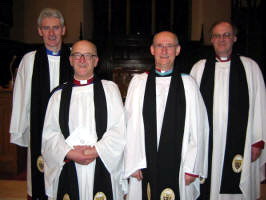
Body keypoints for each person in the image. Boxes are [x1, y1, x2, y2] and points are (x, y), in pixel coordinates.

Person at [124, 31, 209, 200]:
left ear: (177, 50)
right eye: (159, 46)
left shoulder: (188, 84)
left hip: (180, 165)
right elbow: (128, 125)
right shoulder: (139, 83)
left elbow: (199, 128)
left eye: (169, 46)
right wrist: (133, 162)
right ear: (152, 50)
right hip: (144, 163)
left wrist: (193, 166)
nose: (164, 50)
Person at [41, 40, 127, 200]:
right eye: (77, 55)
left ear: (96, 61)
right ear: (70, 60)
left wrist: (95, 151)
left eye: (88, 55)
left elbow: (119, 129)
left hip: (102, 161)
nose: (82, 60)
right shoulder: (58, 95)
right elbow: (50, 134)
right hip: (68, 162)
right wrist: (70, 153)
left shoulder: (110, 90)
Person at [190, 20, 266, 200]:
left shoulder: (250, 67)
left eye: (226, 35)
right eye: (217, 35)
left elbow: (260, 104)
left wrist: (257, 140)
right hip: (208, 140)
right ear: (211, 39)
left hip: (242, 140)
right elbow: (190, 109)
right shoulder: (199, 68)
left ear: (235, 38)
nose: (222, 39)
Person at [9, 8, 73, 199]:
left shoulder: (73, 58)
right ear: (39, 31)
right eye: (46, 28)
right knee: (39, 181)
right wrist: (20, 129)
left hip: (67, 131)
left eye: (55, 28)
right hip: (39, 130)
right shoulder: (29, 60)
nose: (51, 33)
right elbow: (20, 98)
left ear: (63, 29)